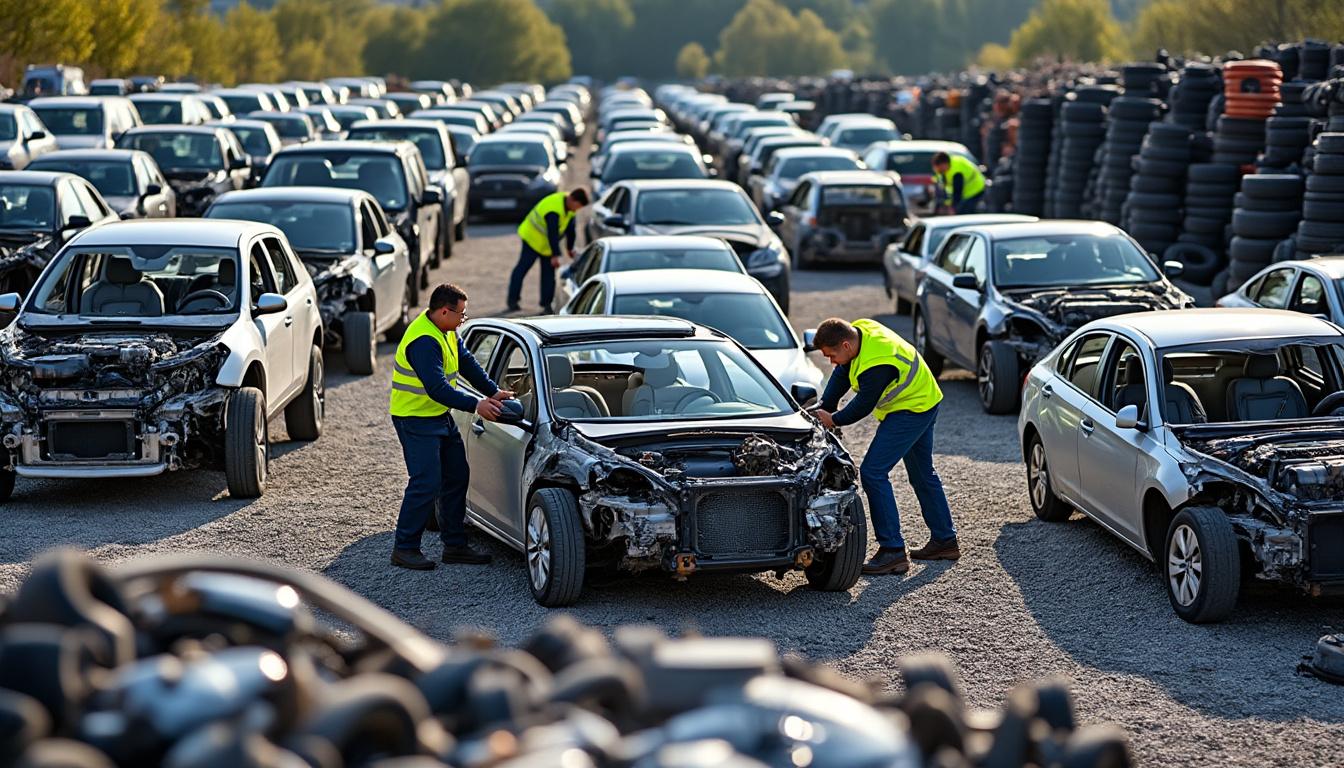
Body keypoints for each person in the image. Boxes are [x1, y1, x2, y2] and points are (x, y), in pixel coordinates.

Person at [812, 317, 958, 575]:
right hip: (924, 398)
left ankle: (892, 550)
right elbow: (843, 371)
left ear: (845, 345)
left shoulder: (878, 363)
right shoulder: (861, 330)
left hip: (912, 409)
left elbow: (863, 404)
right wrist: (826, 404)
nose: (831, 361)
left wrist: (833, 419)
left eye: (831, 355)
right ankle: (945, 541)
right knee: (922, 474)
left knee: (873, 472)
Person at [389, 283, 513, 570]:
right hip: (414, 419)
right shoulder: (423, 341)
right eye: (462, 314)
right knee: (426, 482)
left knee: (457, 475)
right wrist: (477, 405)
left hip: (438, 416)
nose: (463, 319)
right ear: (445, 311)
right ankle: (405, 548)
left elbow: (467, 362)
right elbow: (437, 388)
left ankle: (455, 546)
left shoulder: (446, 330)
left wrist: (493, 391)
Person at [507, 188, 589, 312]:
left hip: (546, 244)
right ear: (572, 200)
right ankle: (512, 300)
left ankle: (546, 305)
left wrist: (569, 248)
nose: (576, 210)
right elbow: (552, 234)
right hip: (532, 239)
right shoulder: (553, 209)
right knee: (522, 268)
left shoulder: (570, 208)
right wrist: (555, 255)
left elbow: (571, 230)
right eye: (577, 206)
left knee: (549, 275)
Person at [931, 151, 986, 215]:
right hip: (965, 191)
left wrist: (953, 207)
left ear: (944, 164)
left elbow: (957, 192)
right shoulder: (944, 168)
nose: (938, 171)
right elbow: (939, 182)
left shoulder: (957, 171)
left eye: (939, 169)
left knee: (963, 211)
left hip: (975, 189)